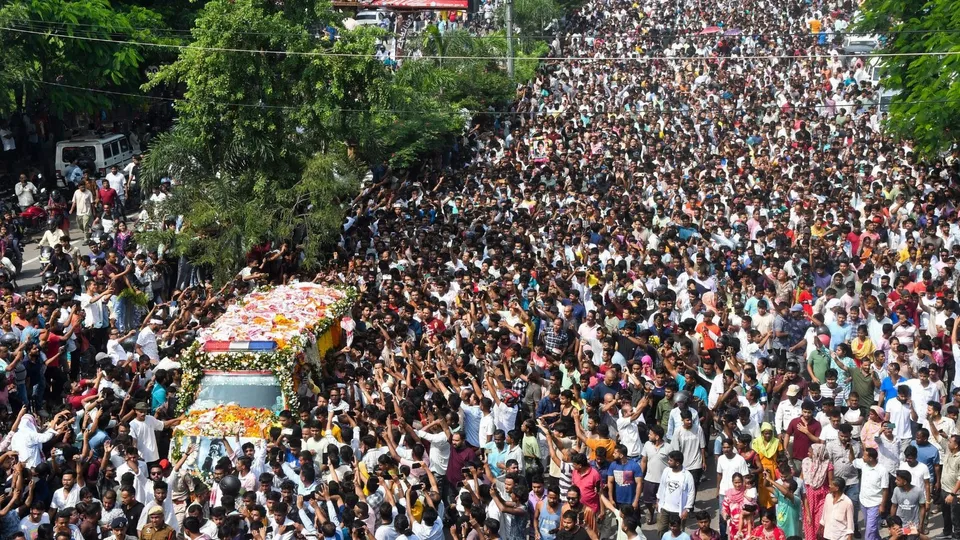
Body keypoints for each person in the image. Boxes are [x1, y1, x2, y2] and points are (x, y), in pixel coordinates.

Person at [656, 450, 696, 537]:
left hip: (678, 511)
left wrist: (687, 509)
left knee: (678, 533)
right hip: (665, 508)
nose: (668, 462)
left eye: (670, 460)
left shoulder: (687, 475)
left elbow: (691, 492)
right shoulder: (666, 471)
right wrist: (658, 500)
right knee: (661, 530)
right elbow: (662, 485)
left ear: (677, 463)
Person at [801, 443, 833, 540]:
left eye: (810, 452)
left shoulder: (828, 465)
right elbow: (802, 478)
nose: (808, 454)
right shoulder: (806, 462)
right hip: (809, 497)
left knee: (821, 521)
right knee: (809, 521)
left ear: (817, 453)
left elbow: (831, 482)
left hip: (822, 497)